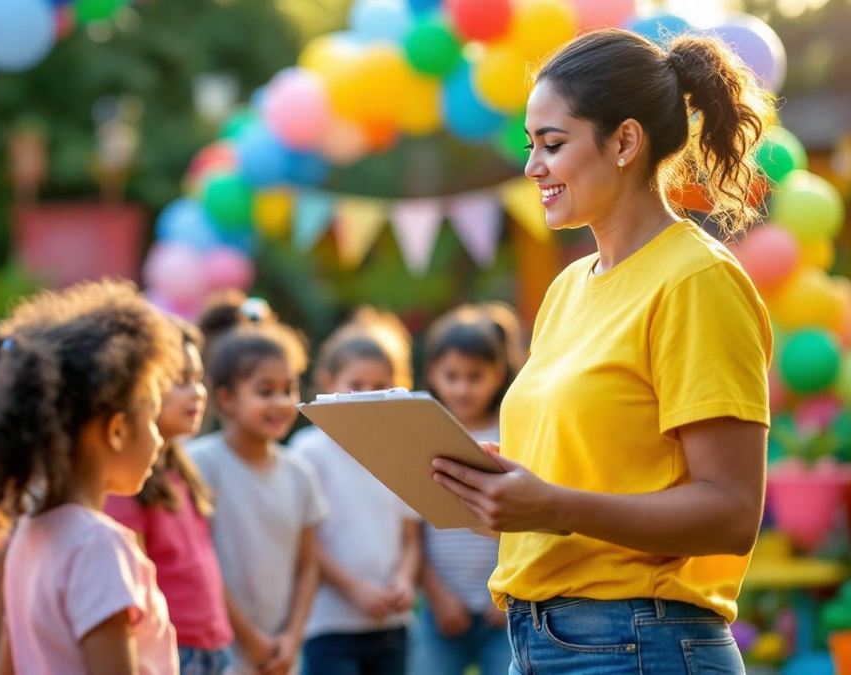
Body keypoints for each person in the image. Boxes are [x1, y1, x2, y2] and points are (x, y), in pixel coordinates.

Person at [431, 29, 773, 673]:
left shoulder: (697, 280)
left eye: (552, 144)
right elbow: (597, 470)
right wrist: (502, 486)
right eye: (530, 145)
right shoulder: (566, 289)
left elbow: (730, 513)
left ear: (623, 142)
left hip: (639, 643)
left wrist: (555, 506)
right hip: (535, 640)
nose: (533, 166)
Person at [0, 280, 180, 674]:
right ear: (116, 430)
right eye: (151, 415)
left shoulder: (28, 534)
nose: (159, 435)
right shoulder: (98, 546)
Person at [188, 297, 324, 675]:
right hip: (220, 652)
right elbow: (199, 561)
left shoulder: (300, 472)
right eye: (265, 391)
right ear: (227, 398)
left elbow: (308, 564)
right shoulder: (201, 465)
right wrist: (251, 639)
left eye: (288, 388)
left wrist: (292, 637)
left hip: (283, 653)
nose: (281, 402)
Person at [290, 308, 421, 675]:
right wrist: (354, 589)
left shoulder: (403, 449)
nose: (368, 395)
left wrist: (403, 580)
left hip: (393, 625)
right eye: (356, 385)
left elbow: (411, 536)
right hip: (330, 625)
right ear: (328, 382)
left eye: (379, 385)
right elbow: (306, 541)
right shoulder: (308, 451)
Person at [105, 317, 234, 674]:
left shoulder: (182, 469)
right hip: (175, 649)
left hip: (213, 643)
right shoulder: (128, 486)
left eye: (197, 379)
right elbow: (134, 587)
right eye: (180, 382)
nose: (196, 392)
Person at [412, 304, 521, 675]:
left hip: (502, 608)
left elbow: (521, 524)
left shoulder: (511, 434)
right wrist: (437, 596)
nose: (462, 387)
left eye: (475, 376)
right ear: (432, 374)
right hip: (441, 606)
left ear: (499, 374)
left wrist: (504, 595)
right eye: (452, 376)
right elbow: (412, 527)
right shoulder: (424, 437)